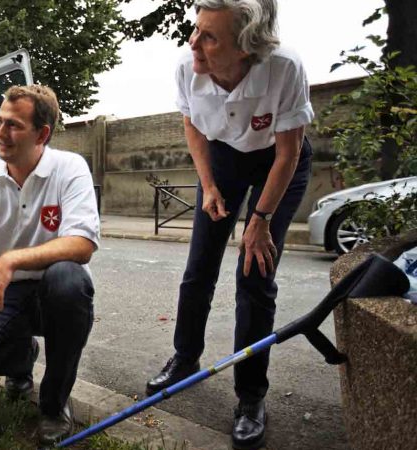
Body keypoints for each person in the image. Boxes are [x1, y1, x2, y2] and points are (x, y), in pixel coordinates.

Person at [143, 1, 314, 449]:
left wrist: (261, 219)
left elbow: (288, 154)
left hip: (278, 162)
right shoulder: (188, 65)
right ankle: (185, 358)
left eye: (210, 37)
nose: (193, 43)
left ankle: (251, 394)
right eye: (195, 30)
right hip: (222, 158)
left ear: (247, 46)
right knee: (200, 265)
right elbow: (193, 126)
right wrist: (208, 185)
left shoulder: (284, 68)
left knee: (255, 275)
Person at [0, 85, 100, 446]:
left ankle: (54, 405)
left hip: (57, 292)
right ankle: (21, 359)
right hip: (9, 295)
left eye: (13, 125)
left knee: (67, 280)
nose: (0, 132)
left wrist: (10, 259)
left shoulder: (70, 169)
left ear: (42, 134)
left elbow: (83, 244)